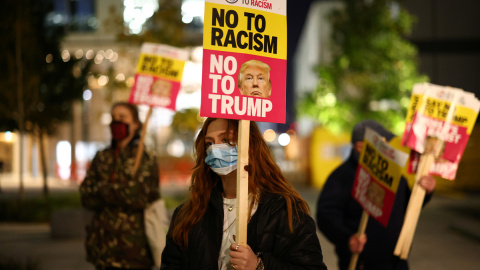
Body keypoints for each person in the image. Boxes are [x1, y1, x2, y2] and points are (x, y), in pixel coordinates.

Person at [161, 118, 327, 270]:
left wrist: (260, 265)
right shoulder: (188, 214)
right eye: (209, 143)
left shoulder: (285, 211)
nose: (216, 149)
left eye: (226, 140)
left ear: (250, 145)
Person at [316, 120, 436, 270]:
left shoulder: (393, 173)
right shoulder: (341, 176)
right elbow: (326, 216)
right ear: (360, 146)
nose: (387, 148)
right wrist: (347, 238)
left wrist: (425, 191)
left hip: (396, 262)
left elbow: (408, 206)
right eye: (381, 142)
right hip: (360, 263)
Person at [80, 102, 160, 270]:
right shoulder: (102, 157)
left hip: (133, 251)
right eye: (114, 118)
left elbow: (138, 196)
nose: (116, 122)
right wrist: (119, 190)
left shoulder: (145, 157)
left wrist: (102, 189)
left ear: (135, 124)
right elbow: (85, 194)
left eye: (122, 117)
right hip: (102, 249)